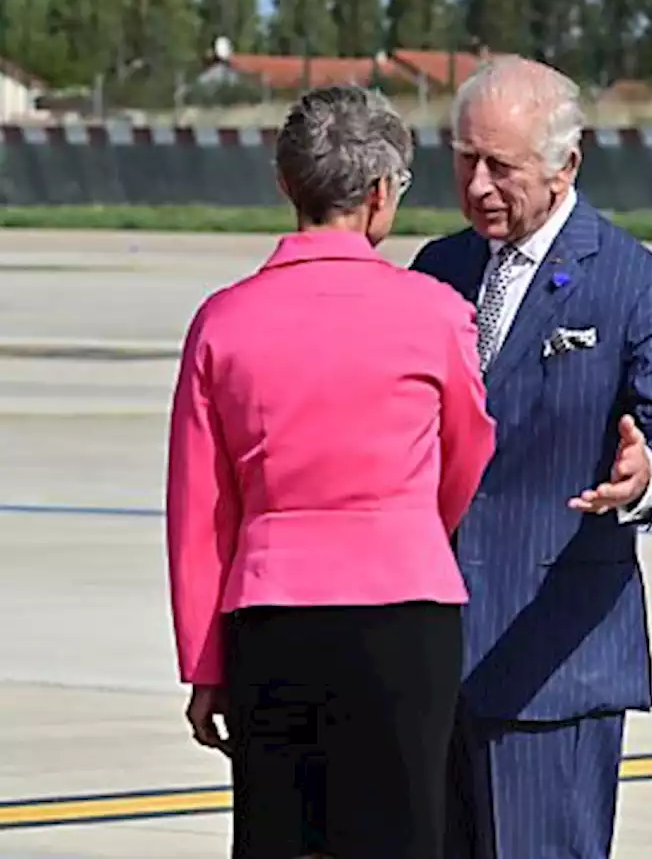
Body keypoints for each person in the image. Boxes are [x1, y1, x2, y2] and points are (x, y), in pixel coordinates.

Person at [165, 84, 496, 859]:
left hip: (272, 618)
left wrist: (203, 661)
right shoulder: (437, 311)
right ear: (381, 195)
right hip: (405, 610)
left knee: (280, 838)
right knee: (407, 833)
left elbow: (200, 511)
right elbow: (467, 455)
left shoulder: (224, 320)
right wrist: (407, 526)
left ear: (287, 184)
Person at [409, 55, 652, 859]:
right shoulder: (437, 270)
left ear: (564, 165)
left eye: (500, 167)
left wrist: (645, 479)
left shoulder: (635, 283)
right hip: (431, 656)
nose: (477, 186)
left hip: (553, 660)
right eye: (463, 158)